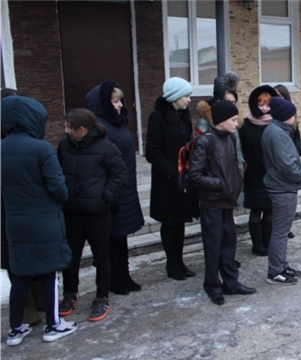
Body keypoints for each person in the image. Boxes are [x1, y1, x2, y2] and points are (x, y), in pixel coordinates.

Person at [2, 95, 77, 345]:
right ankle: (53, 325)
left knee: (20, 275)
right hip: (44, 221)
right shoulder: (41, 148)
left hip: (15, 222)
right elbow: (59, 189)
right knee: (48, 273)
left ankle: (15, 329)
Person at [58, 108, 128, 322]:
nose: (65, 130)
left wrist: (104, 198)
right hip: (72, 212)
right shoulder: (64, 146)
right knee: (71, 258)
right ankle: (70, 295)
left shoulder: (106, 147)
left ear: (82, 129)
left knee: (101, 257)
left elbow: (120, 175)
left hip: (98, 213)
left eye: (69, 126)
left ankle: (101, 297)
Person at [189, 100, 256, 305]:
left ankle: (231, 283)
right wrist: (219, 184)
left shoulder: (229, 139)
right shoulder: (205, 141)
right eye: (233, 120)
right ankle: (212, 286)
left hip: (227, 202)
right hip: (211, 204)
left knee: (229, 245)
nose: (236, 124)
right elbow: (195, 175)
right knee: (213, 246)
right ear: (220, 121)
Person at [86, 80, 145, 295]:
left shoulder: (117, 124)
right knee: (111, 240)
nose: (120, 105)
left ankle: (124, 275)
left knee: (121, 238)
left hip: (125, 189)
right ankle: (113, 280)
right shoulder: (101, 128)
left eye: (120, 100)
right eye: (115, 101)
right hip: (113, 193)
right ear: (103, 104)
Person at [146, 77, 199, 280]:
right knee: (169, 223)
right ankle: (171, 263)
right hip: (167, 181)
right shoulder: (157, 118)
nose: (189, 100)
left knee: (180, 222)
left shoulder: (184, 117)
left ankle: (179, 261)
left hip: (183, 179)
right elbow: (153, 152)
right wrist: (170, 172)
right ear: (174, 97)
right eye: (186, 96)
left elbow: (187, 146)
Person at [1, 88, 44, 328]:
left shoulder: (31, 136)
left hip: (29, 204)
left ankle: (39, 299)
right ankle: (26, 305)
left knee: (33, 250)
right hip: (6, 208)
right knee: (12, 255)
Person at [261, 97, 301, 285]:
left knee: (282, 231)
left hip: (282, 186)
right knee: (280, 232)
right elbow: (286, 164)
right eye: (292, 114)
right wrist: (299, 177)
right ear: (285, 116)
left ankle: (282, 265)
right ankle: (275, 271)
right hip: (282, 188)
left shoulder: (277, 130)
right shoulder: (277, 133)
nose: (294, 117)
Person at [239, 85, 279, 256]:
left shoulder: (276, 122)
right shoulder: (245, 124)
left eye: (267, 105)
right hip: (253, 173)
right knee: (256, 209)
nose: (264, 108)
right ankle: (257, 244)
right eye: (261, 105)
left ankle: (267, 242)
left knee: (270, 209)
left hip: (272, 173)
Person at [274, 84, 301, 239]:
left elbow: (296, 133)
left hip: (292, 155)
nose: (279, 97)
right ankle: (282, 226)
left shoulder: (290, 111)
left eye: (281, 95)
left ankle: (288, 226)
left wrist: (298, 151)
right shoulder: (276, 115)